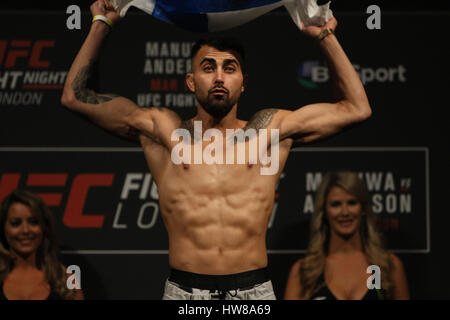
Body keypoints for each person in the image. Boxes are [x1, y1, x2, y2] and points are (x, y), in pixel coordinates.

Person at [61, 0, 372, 300]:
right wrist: (101, 23)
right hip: (185, 292)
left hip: (254, 291)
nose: (219, 77)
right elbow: (75, 97)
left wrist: (324, 34)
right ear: (191, 81)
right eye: (208, 68)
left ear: (243, 82)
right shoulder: (164, 132)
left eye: (230, 68)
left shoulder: (269, 132)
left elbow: (356, 109)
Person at [284, 171, 409, 300]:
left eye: (352, 203)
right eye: (336, 204)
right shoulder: (304, 272)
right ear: (324, 212)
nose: (345, 212)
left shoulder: (387, 266)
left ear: (363, 209)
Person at [0, 190, 84, 300]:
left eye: (33, 222)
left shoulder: (65, 279)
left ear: (44, 227)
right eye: (16, 223)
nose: (25, 230)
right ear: (3, 229)